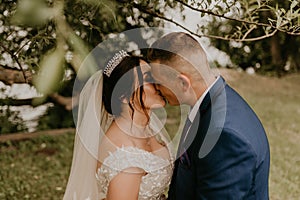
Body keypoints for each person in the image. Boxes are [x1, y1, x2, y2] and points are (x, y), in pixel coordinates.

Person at [147, 32, 270, 199]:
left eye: (158, 82)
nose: (156, 88)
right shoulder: (211, 103)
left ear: (183, 83)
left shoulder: (225, 135)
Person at [63, 50, 174, 200]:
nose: (158, 84)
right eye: (148, 78)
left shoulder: (146, 128)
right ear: (124, 96)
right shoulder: (125, 159)